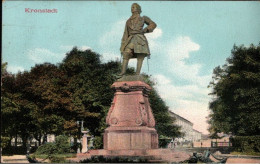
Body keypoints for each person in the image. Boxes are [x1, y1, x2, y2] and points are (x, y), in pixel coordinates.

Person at [118, 3, 157, 76]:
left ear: (138, 9)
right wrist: (123, 44)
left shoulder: (143, 18)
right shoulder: (128, 21)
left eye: (134, 7)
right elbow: (125, 33)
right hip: (130, 39)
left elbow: (153, 24)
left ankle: (137, 73)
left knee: (140, 55)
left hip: (140, 38)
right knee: (126, 53)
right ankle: (123, 72)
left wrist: (146, 29)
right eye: (131, 7)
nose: (132, 8)